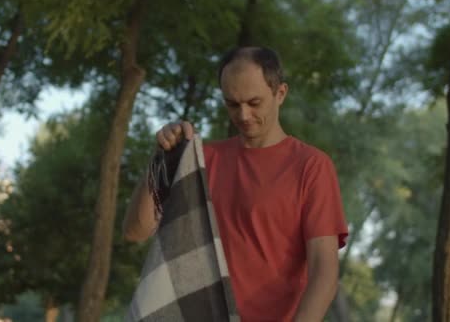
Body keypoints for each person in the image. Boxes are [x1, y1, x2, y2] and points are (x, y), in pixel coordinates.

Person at [122, 46, 348, 322]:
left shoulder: (311, 166)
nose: (242, 115)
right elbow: (136, 230)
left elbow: (324, 273)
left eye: (254, 103)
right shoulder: (201, 161)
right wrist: (160, 157)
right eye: (232, 103)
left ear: (280, 94)